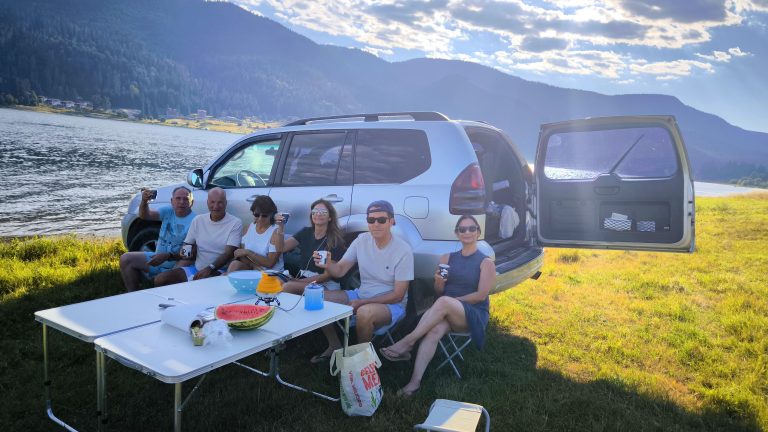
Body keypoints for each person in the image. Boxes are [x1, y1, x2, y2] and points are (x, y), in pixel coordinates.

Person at [379, 215, 494, 397]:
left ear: (478, 232)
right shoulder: (446, 258)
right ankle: (414, 383)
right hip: (446, 310)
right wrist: (439, 283)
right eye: (462, 229)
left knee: (443, 302)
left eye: (472, 228)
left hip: (472, 314)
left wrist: (452, 302)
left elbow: (480, 295)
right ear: (457, 233)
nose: (467, 232)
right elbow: (439, 292)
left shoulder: (485, 262)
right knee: (434, 331)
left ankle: (408, 342)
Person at [310, 200, 413, 364]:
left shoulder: (403, 250)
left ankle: (362, 363)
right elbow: (341, 270)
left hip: (392, 305)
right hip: (361, 294)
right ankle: (334, 346)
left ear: (392, 221)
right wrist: (328, 264)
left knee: (365, 312)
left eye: (381, 220)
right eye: (371, 220)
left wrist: (362, 302)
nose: (376, 224)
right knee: (316, 297)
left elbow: (398, 295)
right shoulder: (361, 240)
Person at [154, 187, 242, 285]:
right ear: (207, 202)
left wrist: (210, 268)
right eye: (212, 202)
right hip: (196, 269)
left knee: (200, 285)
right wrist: (169, 256)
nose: (216, 206)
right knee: (160, 280)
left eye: (220, 202)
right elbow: (187, 248)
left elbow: (228, 254)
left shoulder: (235, 223)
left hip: (219, 271)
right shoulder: (198, 220)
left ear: (226, 203)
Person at [119, 186, 195, 291]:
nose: (181, 202)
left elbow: (189, 254)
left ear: (192, 202)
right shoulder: (168, 211)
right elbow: (145, 215)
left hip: (177, 262)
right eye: (178, 198)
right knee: (125, 259)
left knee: (169, 278)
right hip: (157, 258)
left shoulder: (195, 221)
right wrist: (144, 202)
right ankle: (132, 294)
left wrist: (167, 256)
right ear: (172, 201)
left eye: (186, 199)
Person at [278, 199, 346, 294]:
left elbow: (327, 276)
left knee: (288, 286)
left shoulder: (334, 239)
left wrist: (297, 282)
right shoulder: (305, 232)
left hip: (326, 285)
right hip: (304, 279)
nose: (318, 214)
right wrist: (280, 226)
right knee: (277, 282)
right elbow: (282, 248)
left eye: (323, 212)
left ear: (330, 217)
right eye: (315, 211)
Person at [226, 195, 284, 273]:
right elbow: (242, 255)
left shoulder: (276, 231)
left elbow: (270, 263)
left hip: (270, 273)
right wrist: (253, 265)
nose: (260, 218)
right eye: (257, 215)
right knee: (234, 265)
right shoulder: (248, 228)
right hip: (253, 269)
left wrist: (248, 252)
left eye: (264, 215)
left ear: (271, 215)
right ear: (253, 213)